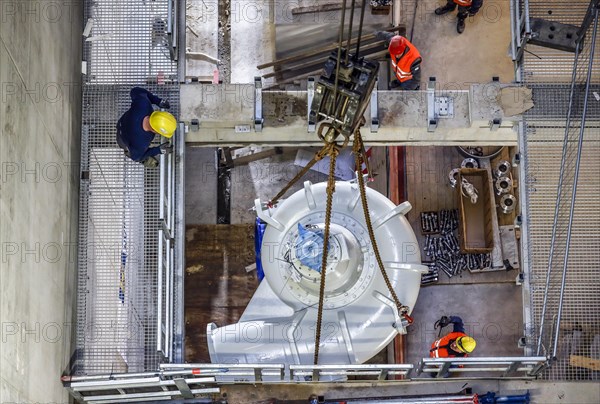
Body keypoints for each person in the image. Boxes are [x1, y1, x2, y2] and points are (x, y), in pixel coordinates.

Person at [116, 87, 176, 168]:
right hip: (122, 140)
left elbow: (135, 90)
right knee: (138, 155)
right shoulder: (141, 143)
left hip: (122, 122)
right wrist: (157, 150)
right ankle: (145, 159)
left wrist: (157, 100)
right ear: (154, 130)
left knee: (139, 151)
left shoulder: (144, 105)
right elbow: (136, 157)